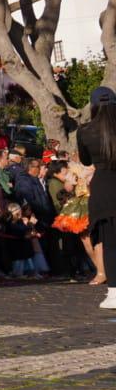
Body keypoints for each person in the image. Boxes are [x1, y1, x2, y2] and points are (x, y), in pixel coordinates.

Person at [76, 85, 116, 308]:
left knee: (110, 243)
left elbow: (85, 160)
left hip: (103, 188)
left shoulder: (85, 130)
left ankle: (114, 292)